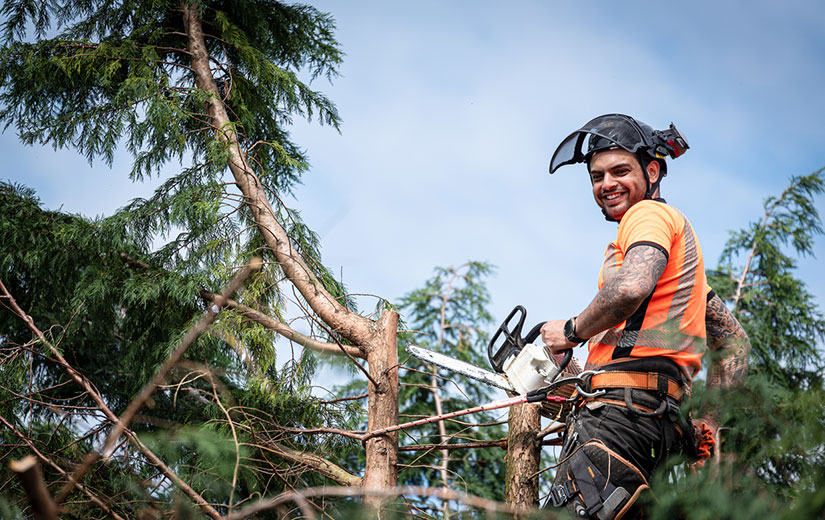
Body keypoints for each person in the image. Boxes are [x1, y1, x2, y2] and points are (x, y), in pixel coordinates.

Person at [540, 114, 750, 519]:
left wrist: (570, 332)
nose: (607, 185)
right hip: (659, 427)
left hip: (620, 421)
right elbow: (733, 340)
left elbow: (631, 288)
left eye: (621, 171)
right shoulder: (682, 262)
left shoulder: (647, 216)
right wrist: (708, 421)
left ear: (652, 171)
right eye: (597, 176)